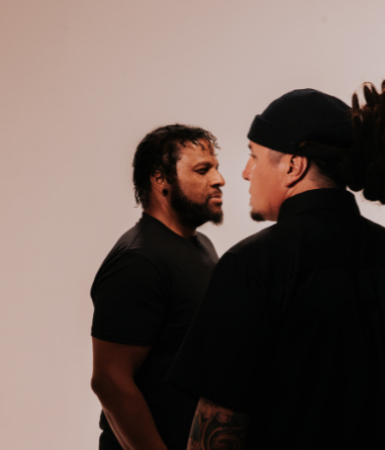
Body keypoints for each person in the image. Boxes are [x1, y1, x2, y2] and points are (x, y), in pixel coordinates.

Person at [167, 82, 385, 450]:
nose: (246, 172)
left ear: (293, 165)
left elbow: (217, 430)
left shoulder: (251, 267)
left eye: (254, 156)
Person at [90, 124, 225, 450]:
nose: (219, 179)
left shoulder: (201, 245)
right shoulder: (139, 260)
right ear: (161, 179)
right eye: (203, 170)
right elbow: (109, 381)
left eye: (216, 168)